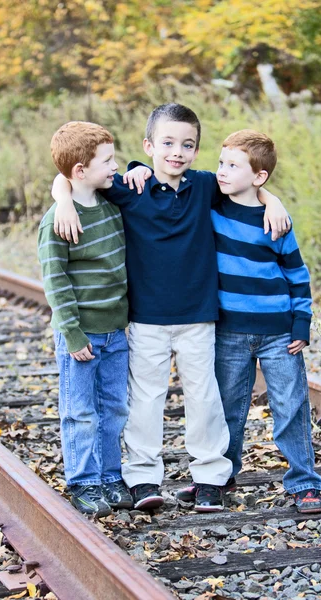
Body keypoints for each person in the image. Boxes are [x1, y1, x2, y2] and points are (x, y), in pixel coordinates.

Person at [51, 104, 291, 512]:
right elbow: (71, 171)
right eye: (167, 143)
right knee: (145, 400)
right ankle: (143, 477)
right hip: (147, 319)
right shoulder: (130, 187)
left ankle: (209, 477)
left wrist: (273, 200)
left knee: (204, 398)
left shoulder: (204, 186)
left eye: (187, 144)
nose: (176, 152)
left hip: (199, 316)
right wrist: (63, 201)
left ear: (197, 151)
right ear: (148, 146)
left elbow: (247, 181)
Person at [177, 130, 321, 514]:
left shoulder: (275, 222)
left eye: (232, 166)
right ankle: (220, 478)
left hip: (279, 333)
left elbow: (297, 275)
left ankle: (304, 483)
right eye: (221, 163)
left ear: (259, 178)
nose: (221, 171)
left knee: (290, 405)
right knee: (228, 407)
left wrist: (301, 324)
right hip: (228, 331)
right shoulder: (210, 212)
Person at [38, 121, 133, 516]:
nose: (116, 167)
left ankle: (110, 475)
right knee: (80, 412)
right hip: (81, 335)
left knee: (114, 409)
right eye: (108, 160)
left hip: (116, 331)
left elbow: (139, 178)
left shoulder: (112, 207)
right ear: (80, 171)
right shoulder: (58, 221)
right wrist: (72, 334)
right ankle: (84, 482)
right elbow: (55, 282)